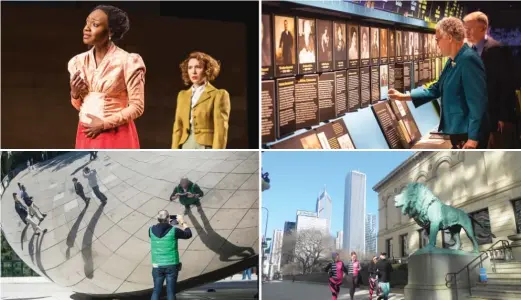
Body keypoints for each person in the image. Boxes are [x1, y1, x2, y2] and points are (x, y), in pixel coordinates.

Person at [388, 17, 488, 149]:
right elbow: (436, 89)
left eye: (438, 39)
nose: (437, 44)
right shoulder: (453, 60)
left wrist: (473, 139)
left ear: (450, 37)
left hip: (466, 134)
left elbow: (477, 102)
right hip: (458, 132)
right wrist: (404, 97)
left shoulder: (468, 60)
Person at [68, 5, 146, 149]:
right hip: (85, 131)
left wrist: (104, 124)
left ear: (110, 31)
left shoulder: (127, 61)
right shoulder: (77, 62)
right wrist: (74, 94)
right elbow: (80, 105)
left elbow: (137, 107)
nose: (86, 28)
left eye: (95, 24)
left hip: (115, 133)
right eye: (87, 22)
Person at [464, 11, 519, 149]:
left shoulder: (498, 50)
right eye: (465, 28)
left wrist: (503, 118)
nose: (466, 32)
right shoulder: (467, 51)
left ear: (483, 28)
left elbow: (506, 86)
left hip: (494, 118)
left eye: (469, 28)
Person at [171, 52, 231, 149]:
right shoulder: (182, 95)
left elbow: (221, 130)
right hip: (185, 146)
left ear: (207, 70)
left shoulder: (219, 95)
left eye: (198, 67)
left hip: (206, 147)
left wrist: (217, 156)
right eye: (190, 68)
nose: (193, 71)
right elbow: (178, 128)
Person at [149, 210, 192, 300]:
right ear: (168, 218)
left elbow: (159, 232)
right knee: (171, 291)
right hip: (171, 265)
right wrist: (181, 222)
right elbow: (188, 234)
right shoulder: (174, 230)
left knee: (156, 290)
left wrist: (166, 223)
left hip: (157, 265)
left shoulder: (150, 230)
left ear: (158, 219)